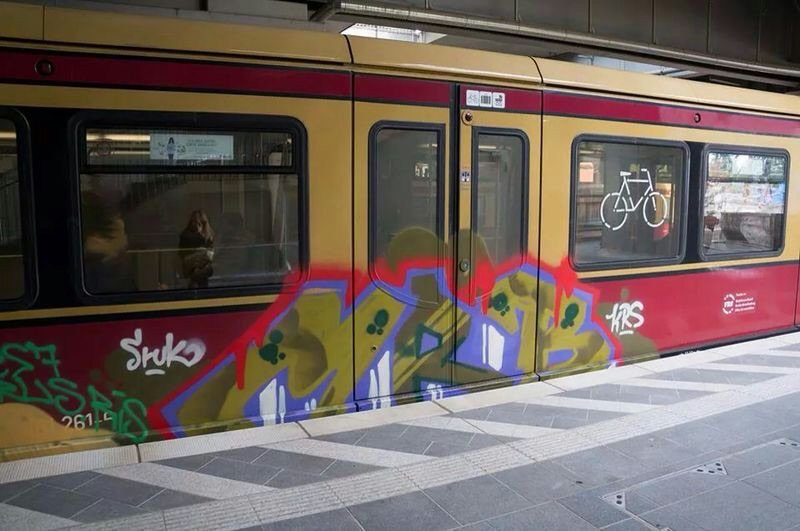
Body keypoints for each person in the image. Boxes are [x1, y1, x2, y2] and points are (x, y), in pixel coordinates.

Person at [179, 210, 215, 288]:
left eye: (200, 223)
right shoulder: (186, 235)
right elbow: (183, 255)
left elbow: (210, 253)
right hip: (190, 264)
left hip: (204, 266)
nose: (197, 225)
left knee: (201, 274)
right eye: (195, 222)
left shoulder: (208, 234)